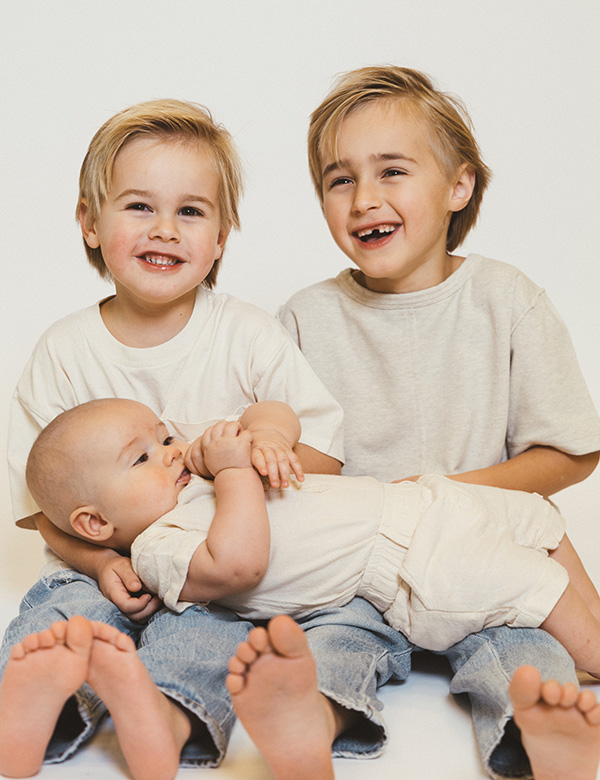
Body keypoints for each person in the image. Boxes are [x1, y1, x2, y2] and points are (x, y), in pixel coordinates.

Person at [1, 97, 348, 779]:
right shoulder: (65, 350)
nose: (165, 229)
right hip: (104, 561)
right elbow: (42, 504)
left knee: (205, 633)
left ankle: (162, 714)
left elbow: (324, 455)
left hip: (215, 572)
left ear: (221, 236)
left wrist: (238, 462)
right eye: (138, 207)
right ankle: (36, 712)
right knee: (66, 609)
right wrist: (100, 562)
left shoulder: (247, 334)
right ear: (89, 223)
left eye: (190, 211)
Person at [273, 66, 600, 779]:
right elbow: (289, 456)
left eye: (392, 171)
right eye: (339, 179)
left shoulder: (505, 299)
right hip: (359, 570)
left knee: (525, 652)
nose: (365, 200)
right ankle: (309, 723)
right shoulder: (304, 317)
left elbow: (570, 452)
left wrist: (442, 495)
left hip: (482, 555)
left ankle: (544, 733)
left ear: (459, 186)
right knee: (330, 645)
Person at [8, 396, 600, 780]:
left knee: (538, 516)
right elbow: (241, 564)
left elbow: (275, 410)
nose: (169, 453)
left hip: (418, 500)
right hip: (409, 562)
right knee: (533, 584)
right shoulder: (161, 544)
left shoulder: (195, 474)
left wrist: (263, 437)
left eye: (163, 438)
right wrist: (236, 472)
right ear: (94, 525)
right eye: (141, 458)